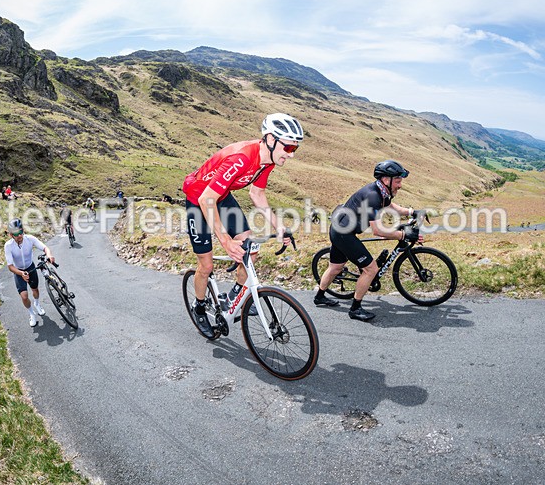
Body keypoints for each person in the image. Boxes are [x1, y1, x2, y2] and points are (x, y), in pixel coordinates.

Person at [182, 112, 302, 337]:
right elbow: (206, 200)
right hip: (198, 198)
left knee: (251, 248)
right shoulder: (243, 157)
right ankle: (199, 307)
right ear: (270, 139)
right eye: (288, 148)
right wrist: (226, 241)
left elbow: (257, 194)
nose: (291, 155)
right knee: (206, 266)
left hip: (222, 196)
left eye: (294, 149)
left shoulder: (268, 161)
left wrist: (279, 227)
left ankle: (233, 297)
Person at [314, 160, 424, 322]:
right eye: (398, 181)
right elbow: (378, 231)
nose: (400, 185)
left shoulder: (381, 191)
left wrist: (412, 212)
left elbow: (392, 207)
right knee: (370, 269)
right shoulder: (372, 196)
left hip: (339, 229)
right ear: (387, 180)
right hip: (344, 234)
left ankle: (319, 297)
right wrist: (403, 235)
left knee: (336, 267)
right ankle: (355, 308)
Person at [4, 218, 55, 327]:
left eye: (21, 232)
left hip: (30, 267)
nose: (19, 235)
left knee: (35, 290)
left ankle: (37, 304)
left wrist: (49, 255)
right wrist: (21, 273)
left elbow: (44, 247)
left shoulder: (30, 239)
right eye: (16, 233)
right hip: (18, 271)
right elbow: (10, 266)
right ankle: (31, 313)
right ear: (11, 235)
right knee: (24, 296)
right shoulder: (8, 246)